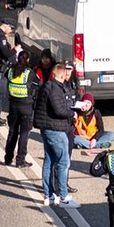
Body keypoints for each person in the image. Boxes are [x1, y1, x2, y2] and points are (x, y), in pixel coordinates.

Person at [36, 60, 77, 205]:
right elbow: (59, 110)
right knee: (63, 162)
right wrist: (72, 114)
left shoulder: (45, 86)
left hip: (46, 128)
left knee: (49, 161)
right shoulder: (55, 88)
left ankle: (49, 195)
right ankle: (63, 196)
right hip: (55, 129)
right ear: (59, 75)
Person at [4, 50, 37, 168]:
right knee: (24, 134)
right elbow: (38, 84)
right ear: (27, 60)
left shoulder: (11, 70)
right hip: (26, 107)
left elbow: (5, 75)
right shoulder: (29, 73)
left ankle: (8, 158)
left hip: (13, 106)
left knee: (12, 132)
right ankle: (20, 160)